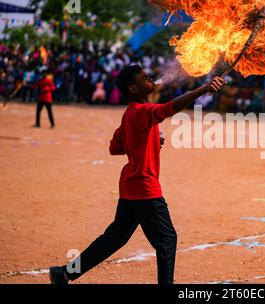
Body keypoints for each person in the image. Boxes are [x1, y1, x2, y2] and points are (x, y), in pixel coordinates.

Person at [48, 65, 226, 284]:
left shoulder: (130, 114)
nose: (150, 77)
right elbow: (170, 108)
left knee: (114, 239)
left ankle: (65, 273)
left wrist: (148, 140)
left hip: (130, 187)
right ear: (133, 88)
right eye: (144, 78)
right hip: (144, 188)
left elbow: (115, 147)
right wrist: (203, 89)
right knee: (167, 240)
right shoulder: (143, 112)